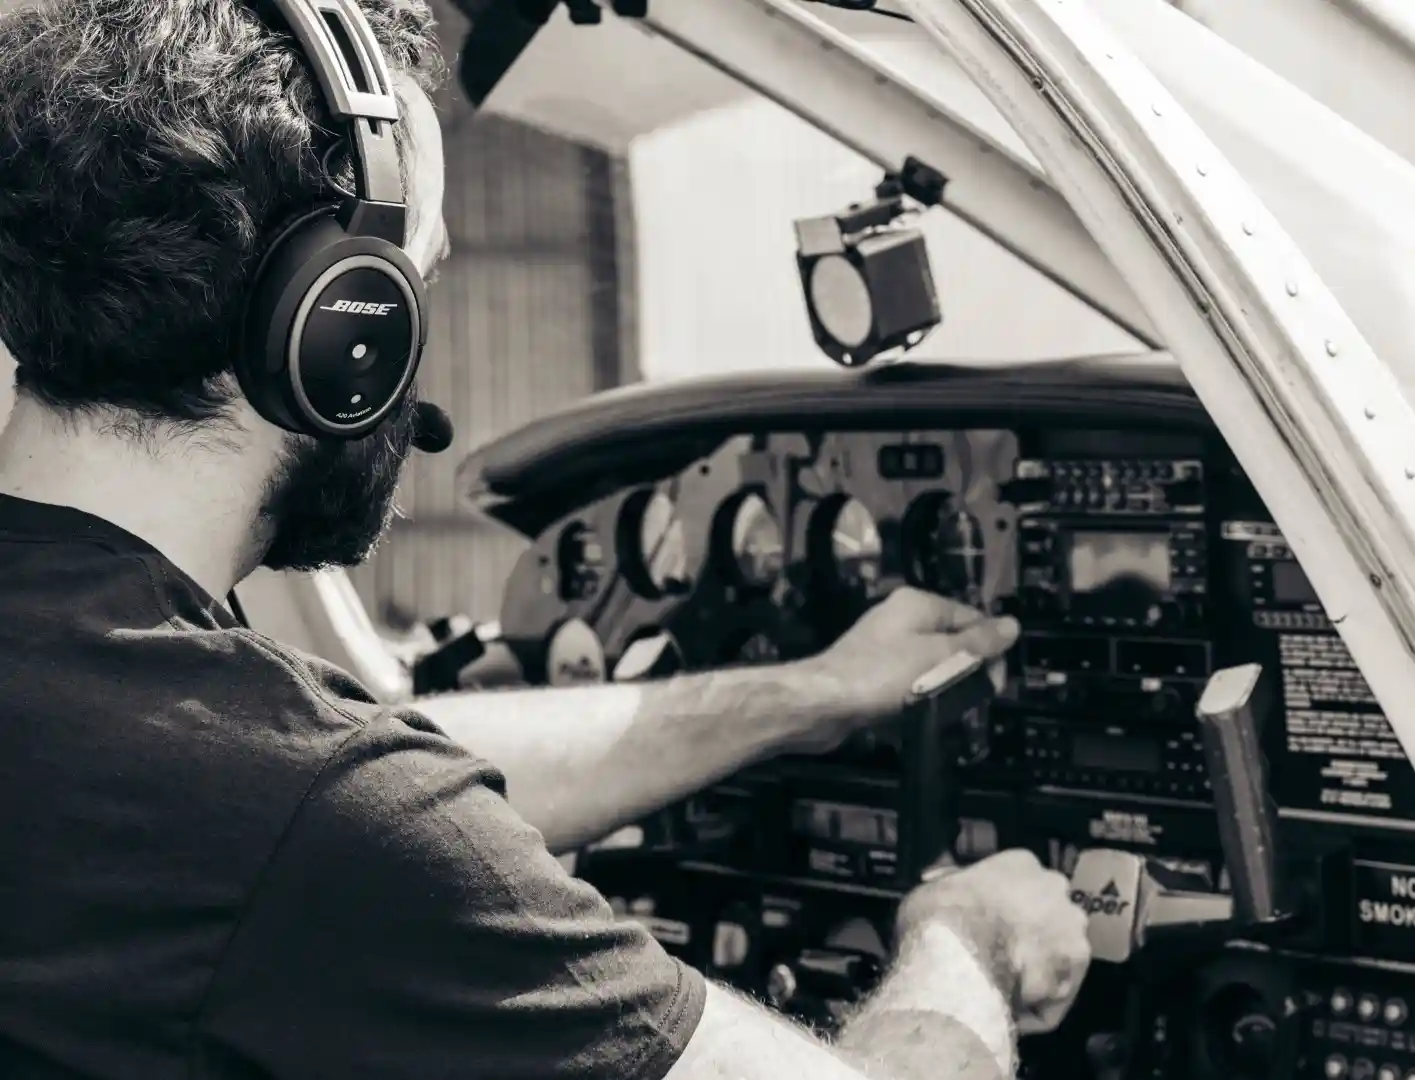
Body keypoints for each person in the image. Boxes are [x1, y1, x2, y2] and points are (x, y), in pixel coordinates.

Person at [0, 1, 1091, 1078]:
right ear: (339, 332)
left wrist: (812, 691)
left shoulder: (123, 708)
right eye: (421, 281)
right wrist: (970, 943)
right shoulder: (308, 826)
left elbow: (374, 767)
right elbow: (346, 811)